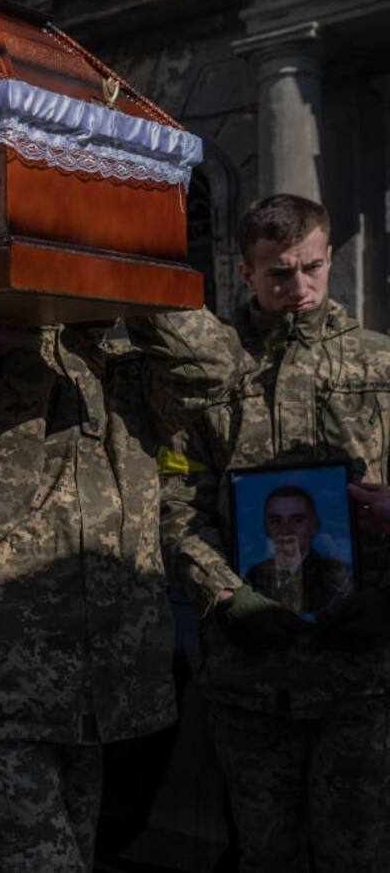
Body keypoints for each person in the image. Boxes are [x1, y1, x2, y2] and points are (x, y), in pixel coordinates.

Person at [0, 300, 243, 871]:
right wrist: (21, 353)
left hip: (96, 696)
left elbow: (215, 368)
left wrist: (138, 285)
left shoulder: (121, 365)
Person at [160, 193, 390, 871]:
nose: (299, 289)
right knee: (265, 853)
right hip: (250, 677)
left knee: (361, 854)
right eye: (279, 274)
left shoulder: (380, 370)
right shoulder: (211, 371)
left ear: (328, 257)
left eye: (311, 269)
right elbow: (176, 505)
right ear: (245, 273)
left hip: (363, 673)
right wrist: (225, 595)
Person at [243, 485, 351, 614]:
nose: (285, 530)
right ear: (266, 527)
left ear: (314, 527)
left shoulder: (339, 575)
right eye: (276, 521)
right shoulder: (254, 576)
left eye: (297, 520)